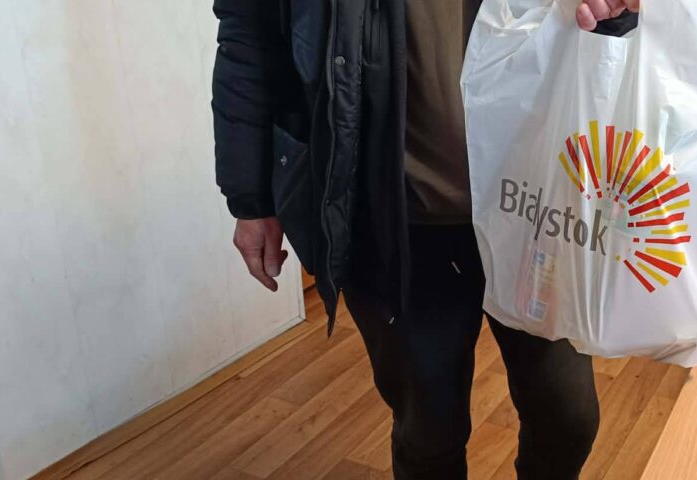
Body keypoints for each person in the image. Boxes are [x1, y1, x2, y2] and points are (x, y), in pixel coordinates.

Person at [211, 1, 639, 478]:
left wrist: (616, 13)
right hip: (399, 222)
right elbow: (249, 36)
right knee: (429, 433)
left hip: (533, 212)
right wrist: (250, 198)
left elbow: (603, 28)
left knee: (567, 416)